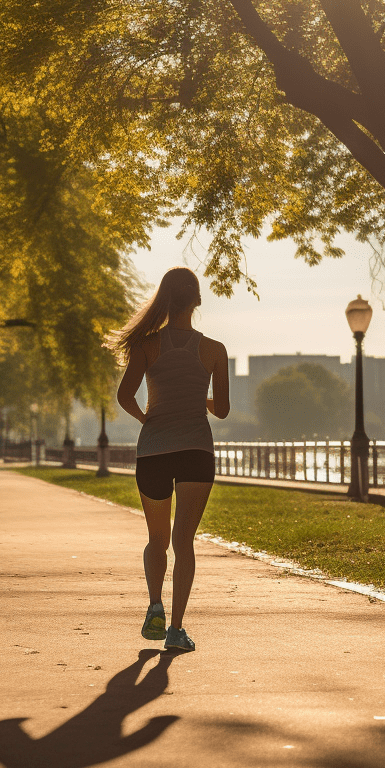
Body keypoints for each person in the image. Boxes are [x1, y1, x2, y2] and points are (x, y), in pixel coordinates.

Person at [107, 267, 230, 652]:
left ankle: (154, 605)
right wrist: (195, 401)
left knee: (156, 539)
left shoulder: (146, 345)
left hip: (154, 450)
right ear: (196, 300)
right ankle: (176, 629)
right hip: (196, 450)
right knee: (184, 541)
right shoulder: (214, 349)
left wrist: (151, 418)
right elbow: (222, 410)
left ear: (164, 298)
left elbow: (125, 396)